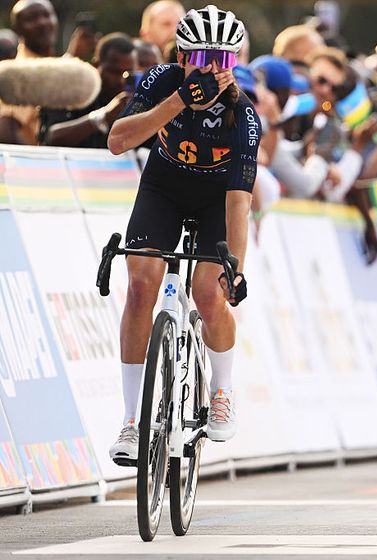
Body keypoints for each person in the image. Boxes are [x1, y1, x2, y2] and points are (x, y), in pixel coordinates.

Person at [107, 4, 258, 466]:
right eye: (200, 58)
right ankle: (131, 422)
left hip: (216, 200)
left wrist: (235, 269)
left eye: (224, 60)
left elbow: (239, 201)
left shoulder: (243, 116)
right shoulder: (160, 80)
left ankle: (222, 390)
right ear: (180, 55)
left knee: (209, 296)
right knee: (139, 286)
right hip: (164, 189)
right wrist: (178, 103)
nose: (212, 70)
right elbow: (118, 140)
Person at [39, 33, 136, 148]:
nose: (121, 80)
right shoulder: (71, 91)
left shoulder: (136, 100)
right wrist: (103, 116)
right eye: (114, 72)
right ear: (96, 65)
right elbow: (51, 137)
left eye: (128, 73)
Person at [0, 0, 57, 144]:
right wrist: (39, 160)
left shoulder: (50, 65)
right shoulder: (21, 72)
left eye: (47, 15)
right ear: (18, 29)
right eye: (32, 18)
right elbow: (5, 132)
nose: (42, 23)